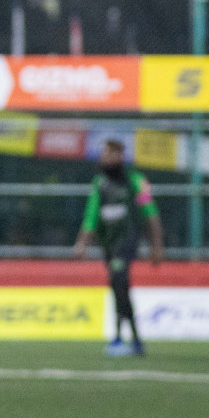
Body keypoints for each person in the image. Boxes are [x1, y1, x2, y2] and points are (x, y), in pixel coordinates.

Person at [73, 138, 163, 357]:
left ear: (121, 156)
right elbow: (91, 216)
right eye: (105, 153)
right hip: (109, 244)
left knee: (119, 279)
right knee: (117, 285)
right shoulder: (99, 183)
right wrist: (82, 242)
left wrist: (156, 246)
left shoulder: (137, 181)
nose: (107, 158)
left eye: (111, 154)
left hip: (128, 240)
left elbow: (150, 213)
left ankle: (124, 337)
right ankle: (130, 338)